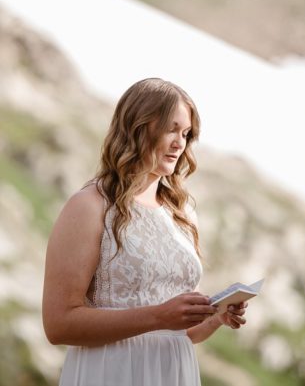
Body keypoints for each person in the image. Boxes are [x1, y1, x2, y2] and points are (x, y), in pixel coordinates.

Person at [42, 78, 248, 386]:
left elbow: (175, 334)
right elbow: (58, 325)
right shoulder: (89, 206)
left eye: (186, 133)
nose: (180, 142)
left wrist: (215, 317)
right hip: (111, 373)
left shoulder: (180, 214)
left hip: (172, 374)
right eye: (171, 129)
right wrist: (158, 316)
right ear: (138, 126)